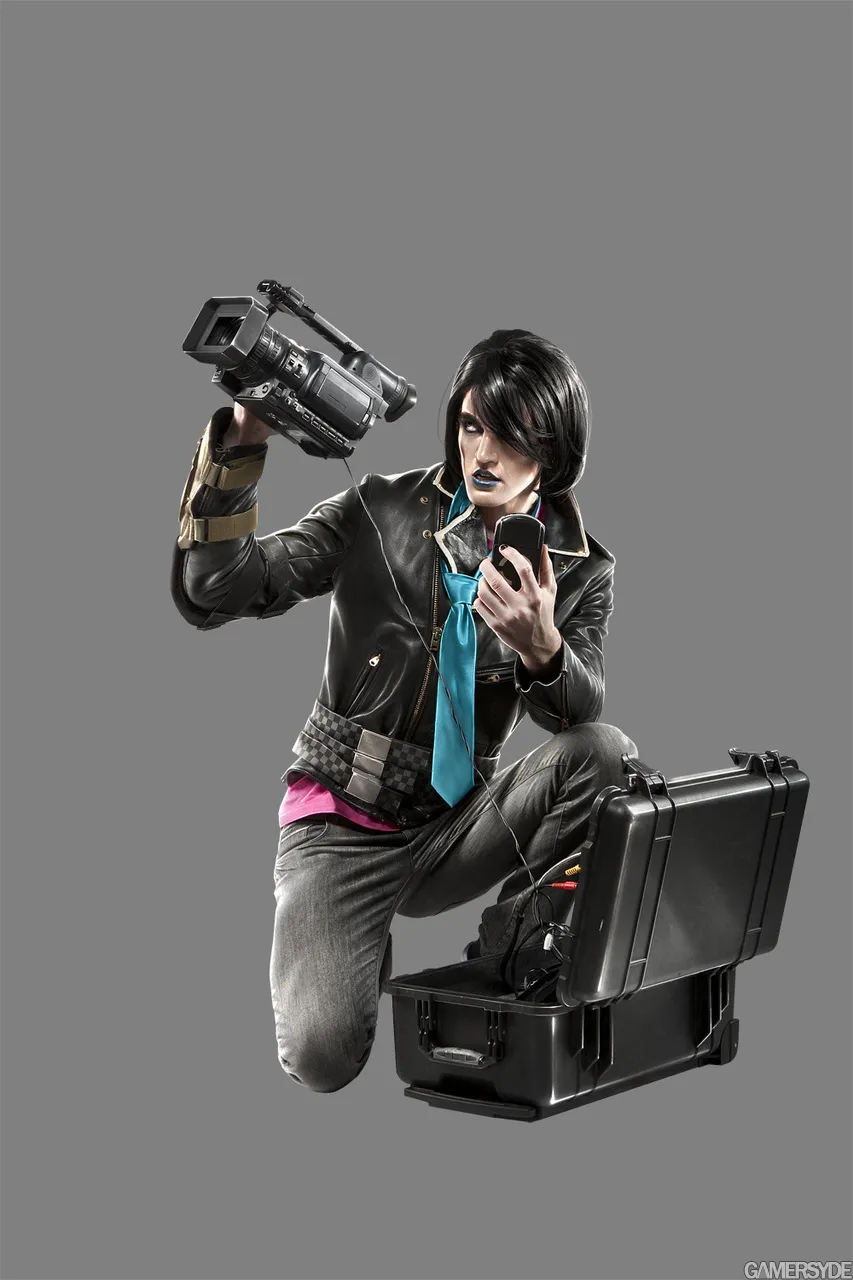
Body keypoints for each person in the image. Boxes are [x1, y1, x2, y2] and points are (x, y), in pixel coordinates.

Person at [171, 328, 638, 1093]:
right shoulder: (380, 507)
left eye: (510, 435)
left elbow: (575, 714)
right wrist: (243, 442)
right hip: (341, 824)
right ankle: (348, 933)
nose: (482, 453)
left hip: (452, 826)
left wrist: (542, 648)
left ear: (552, 452)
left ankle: (514, 950)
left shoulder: (582, 569)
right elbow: (220, 588)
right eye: (471, 425)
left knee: (603, 752)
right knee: (322, 1059)